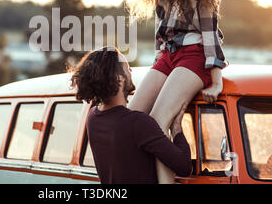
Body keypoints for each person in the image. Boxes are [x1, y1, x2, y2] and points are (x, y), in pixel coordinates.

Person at [128, 0, 229, 184]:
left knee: (156, 122)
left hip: (194, 55)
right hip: (168, 56)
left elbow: (210, 32)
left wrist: (216, 80)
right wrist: (157, 68)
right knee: (132, 119)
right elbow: (160, 34)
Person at [70, 47, 192, 184]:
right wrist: (177, 131)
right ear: (119, 79)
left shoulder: (93, 117)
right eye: (127, 68)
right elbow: (184, 167)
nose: (131, 71)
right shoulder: (137, 123)